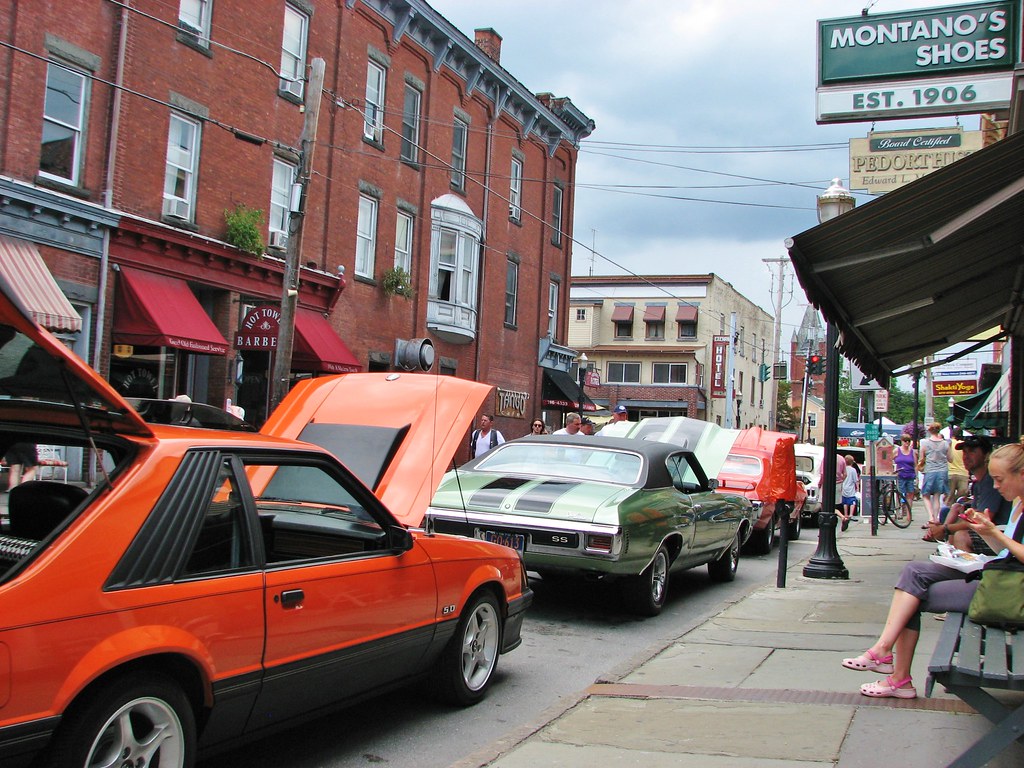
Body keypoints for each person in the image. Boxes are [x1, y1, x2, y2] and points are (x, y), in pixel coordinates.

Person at [841, 442, 1024, 699]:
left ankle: (896, 674)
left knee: (915, 596)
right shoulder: (1018, 503)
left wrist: (994, 532)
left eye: (999, 479)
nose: (995, 486)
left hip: (1010, 590)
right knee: (914, 572)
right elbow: (1004, 551)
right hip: (1001, 575)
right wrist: (986, 532)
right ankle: (885, 655)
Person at [926, 434, 1013, 554]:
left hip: (1003, 535)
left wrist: (946, 528)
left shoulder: (990, 481)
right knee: (954, 524)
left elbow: (981, 520)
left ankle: (970, 571)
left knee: (961, 536)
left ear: (986, 454)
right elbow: (973, 516)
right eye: (964, 452)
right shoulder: (979, 483)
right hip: (990, 532)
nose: (966, 456)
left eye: (972, 451)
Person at [917, 422, 950, 525]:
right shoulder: (946, 444)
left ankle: (931, 516)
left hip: (930, 471)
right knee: (937, 495)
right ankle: (936, 518)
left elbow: (921, 458)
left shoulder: (925, 443)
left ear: (930, 431)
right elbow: (951, 459)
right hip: (942, 471)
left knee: (925, 495)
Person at [946, 427, 970, 504]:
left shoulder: (948, 444)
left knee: (949, 497)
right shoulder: (964, 445)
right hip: (963, 473)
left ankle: (947, 511)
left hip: (950, 473)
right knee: (962, 499)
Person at [837, 454, 859, 532]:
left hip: (843, 487)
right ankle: (851, 514)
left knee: (845, 502)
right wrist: (857, 488)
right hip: (851, 488)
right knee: (852, 501)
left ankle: (845, 514)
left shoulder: (844, 468)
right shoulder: (853, 470)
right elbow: (855, 480)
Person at [894, 434, 917, 505]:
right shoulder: (897, 450)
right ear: (901, 441)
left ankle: (908, 512)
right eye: (905, 441)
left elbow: (915, 465)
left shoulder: (913, 452)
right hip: (900, 476)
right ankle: (899, 511)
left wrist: (917, 477)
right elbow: (889, 460)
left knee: (910, 494)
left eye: (908, 441)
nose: (907, 443)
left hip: (910, 476)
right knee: (899, 494)